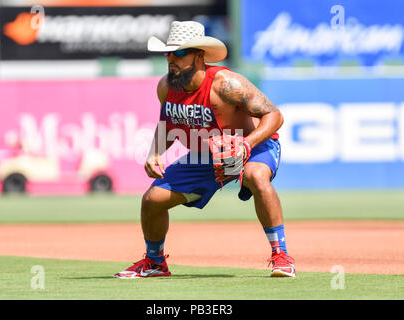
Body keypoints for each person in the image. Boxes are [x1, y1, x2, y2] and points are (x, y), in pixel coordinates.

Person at [114, 21, 295, 278]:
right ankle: (155, 263)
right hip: (206, 156)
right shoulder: (167, 87)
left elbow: (274, 116)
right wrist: (155, 152)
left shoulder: (226, 84)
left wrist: (246, 145)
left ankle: (281, 257)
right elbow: (167, 124)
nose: (171, 59)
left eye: (179, 53)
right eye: (169, 53)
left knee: (256, 176)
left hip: (253, 145)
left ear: (199, 57)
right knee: (152, 200)